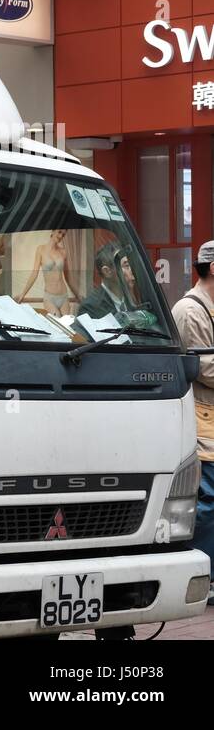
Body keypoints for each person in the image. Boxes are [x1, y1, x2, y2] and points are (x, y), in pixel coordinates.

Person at [172, 242, 214, 584]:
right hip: (203, 420)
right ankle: (201, 575)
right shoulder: (191, 310)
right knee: (207, 502)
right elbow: (204, 366)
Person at [15, 228, 79, 314]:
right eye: (59, 232)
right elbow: (34, 273)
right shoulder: (41, 249)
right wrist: (23, 294)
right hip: (49, 297)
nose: (60, 236)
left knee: (66, 324)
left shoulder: (63, 252)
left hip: (63, 296)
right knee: (56, 322)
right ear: (52, 231)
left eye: (63, 235)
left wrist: (77, 295)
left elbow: (68, 278)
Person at [78, 241, 135, 319]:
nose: (132, 270)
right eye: (126, 265)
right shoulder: (91, 307)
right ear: (107, 272)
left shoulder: (132, 300)